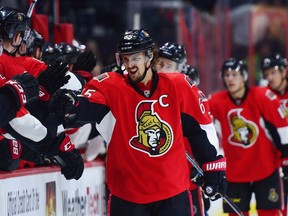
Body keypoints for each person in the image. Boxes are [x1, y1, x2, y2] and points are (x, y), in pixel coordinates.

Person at [49, 28, 227, 216]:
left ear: (150, 57)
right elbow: (88, 107)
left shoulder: (179, 86)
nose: (129, 64)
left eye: (135, 58)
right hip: (128, 198)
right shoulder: (111, 86)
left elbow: (200, 129)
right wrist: (72, 104)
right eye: (125, 59)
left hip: (173, 195)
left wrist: (213, 164)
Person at [0, 6, 84, 179]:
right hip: (12, 146)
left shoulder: (15, 63)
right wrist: (54, 146)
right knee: (10, 152)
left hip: (18, 140)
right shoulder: (11, 63)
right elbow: (14, 118)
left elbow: (74, 83)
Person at [208, 57, 288, 216]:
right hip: (235, 174)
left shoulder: (263, 96)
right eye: (227, 75)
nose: (230, 79)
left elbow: (281, 129)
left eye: (235, 74)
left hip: (266, 169)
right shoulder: (215, 101)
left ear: (244, 76)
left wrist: (285, 158)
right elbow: (199, 126)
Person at [154, 41, 211, 216]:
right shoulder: (144, 91)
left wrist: (204, 166)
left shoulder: (190, 94)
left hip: (185, 177)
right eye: (160, 63)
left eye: (168, 65)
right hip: (152, 179)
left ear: (179, 69)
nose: (162, 69)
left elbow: (205, 133)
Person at [261, 53, 288, 216]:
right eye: (267, 73)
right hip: (277, 158)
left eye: (273, 72)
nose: (270, 77)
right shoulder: (263, 96)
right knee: (279, 201)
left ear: (284, 72)